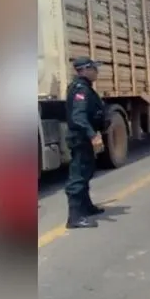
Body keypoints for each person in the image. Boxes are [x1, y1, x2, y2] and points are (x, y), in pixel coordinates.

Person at [65, 56, 107, 229]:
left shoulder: (85, 88)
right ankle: (74, 218)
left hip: (84, 139)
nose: (96, 71)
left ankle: (86, 207)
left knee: (87, 172)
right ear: (84, 70)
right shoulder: (81, 89)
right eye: (93, 68)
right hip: (81, 139)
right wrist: (93, 135)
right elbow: (78, 117)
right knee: (78, 176)